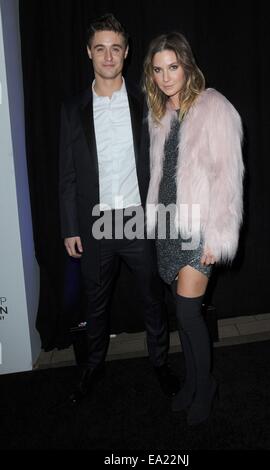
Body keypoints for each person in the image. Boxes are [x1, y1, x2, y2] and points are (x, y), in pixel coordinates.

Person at [59, 14, 179, 405]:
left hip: (138, 219)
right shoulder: (73, 108)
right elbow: (68, 174)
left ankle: (160, 364)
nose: (108, 56)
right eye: (100, 48)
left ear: (126, 53)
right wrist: (70, 227)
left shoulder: (147, 102)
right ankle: (94, 366)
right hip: (95, 223)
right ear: (88, 53)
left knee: (152, 300)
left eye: (115, 48)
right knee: (95, 305)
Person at [143, 32, 244, 425]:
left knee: (188, 313)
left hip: (201, 229)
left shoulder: (214, 107)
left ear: (187, 65)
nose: (166, 77)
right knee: (182, 314)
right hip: (170, 226)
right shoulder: (161, 115)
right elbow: (163, 175)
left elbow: (228, 180)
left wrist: (217, 238)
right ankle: (192, 382)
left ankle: (206, 387)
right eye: (158, 70)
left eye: (173, 67)